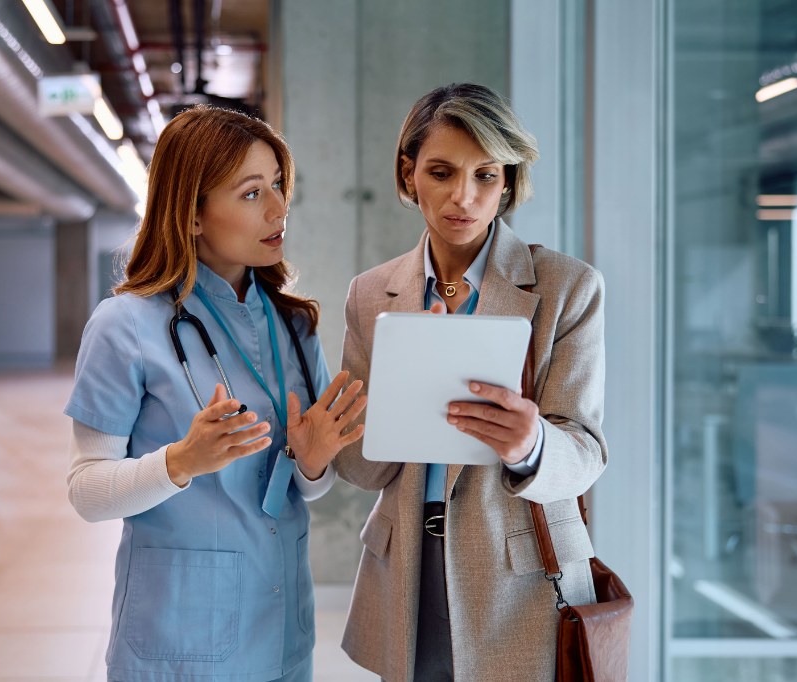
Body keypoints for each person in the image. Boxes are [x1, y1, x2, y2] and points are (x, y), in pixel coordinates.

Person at [64, 105, 366, 682]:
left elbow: (306, 486)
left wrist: (313, 462)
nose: (279, 208)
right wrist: (183, 461)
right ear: (193, 214)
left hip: (280, 628)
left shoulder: (294, 326)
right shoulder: (124, 326)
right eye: (252, 193)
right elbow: (87, 493)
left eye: (279, 185)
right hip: (178, 639)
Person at [335, 83, 607, 681]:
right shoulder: (370, 294)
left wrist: (529, 444)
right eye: (441, 171)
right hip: (406, 566)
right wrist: (348, 431)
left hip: (521, 574)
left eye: (486, 175)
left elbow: (586, 453)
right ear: (409, 177)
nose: (465, 196)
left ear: (507, 181)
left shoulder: (566, 287)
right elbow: (362, 469)